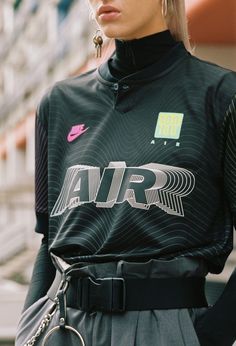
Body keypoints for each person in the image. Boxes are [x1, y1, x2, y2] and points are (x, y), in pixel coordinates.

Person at [15, 0, 236, 345]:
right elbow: (48, 239)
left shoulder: (220, 96)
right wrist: (29, 328)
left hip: (166, 326)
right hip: (66, 327)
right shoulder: (59, 104)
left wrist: (210, 335)